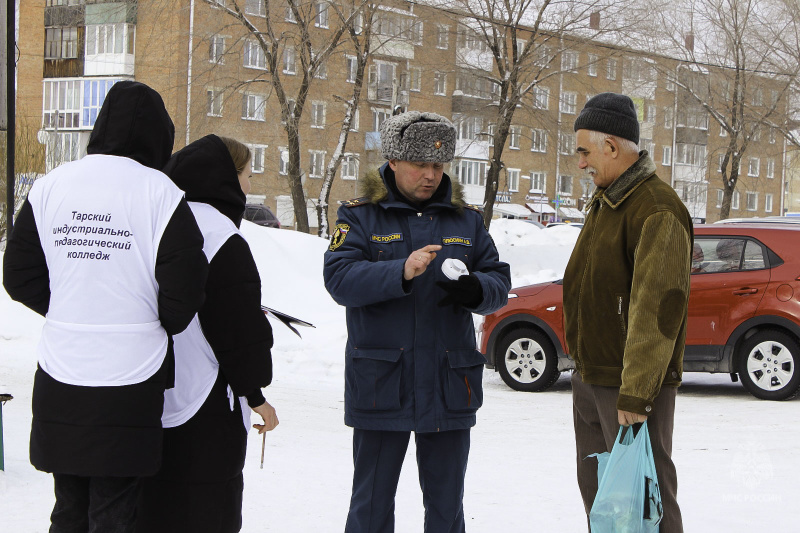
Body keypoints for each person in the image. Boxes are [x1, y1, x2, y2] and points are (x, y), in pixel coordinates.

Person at [2, 81, 208, 532]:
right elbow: (186, 287)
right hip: (130, 377)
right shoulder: (160, 193)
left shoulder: (51, 185)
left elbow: (17, 275)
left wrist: (71, 309)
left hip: (62, 366)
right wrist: (155, 322)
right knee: (115, 510)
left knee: (68, 506)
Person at [323, 111, 512, 533]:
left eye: (439, 166)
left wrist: (478, 290)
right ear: (393, 162)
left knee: (447, 508)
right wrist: (400, 272)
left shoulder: (466, 219)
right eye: (420, 165)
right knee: (370, 505)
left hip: (449, 386)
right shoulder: (359, 216)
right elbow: (338, 279)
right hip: (382, 386)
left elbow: (499, 278)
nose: (431, 175)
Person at [135, 135, 279, 533]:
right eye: (248, 175)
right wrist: (256, 393)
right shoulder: (221, 235)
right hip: (205, 400)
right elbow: (238, 328)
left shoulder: (154, 218)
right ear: (227, 179)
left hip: (142, 388)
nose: (249, 186)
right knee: (207, 504)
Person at [563, 92, 692, 532]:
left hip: (628, 388)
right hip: (594, 375)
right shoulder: (609, 200)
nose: (580, 163)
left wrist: (636, 394)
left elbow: (658, 310)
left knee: (645, 506)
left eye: (584, 151)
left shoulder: (655, 208)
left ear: (612, 147)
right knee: (607, 504)